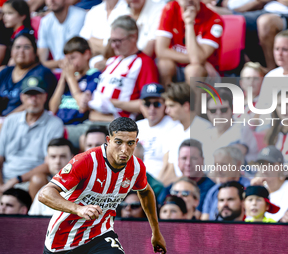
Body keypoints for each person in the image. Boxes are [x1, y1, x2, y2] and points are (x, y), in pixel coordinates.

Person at [38, 117, 166, 254]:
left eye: (130, 143)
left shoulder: (136, 167)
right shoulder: (86, 161)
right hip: (62, 241)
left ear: (136, 143)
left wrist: (156, 232)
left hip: (100, 235)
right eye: (118, 142)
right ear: (108, 140)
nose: (124, 150)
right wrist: (78, 209)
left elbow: (145, 192)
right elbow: (44, 194)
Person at [88, 15, 159, 122]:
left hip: (121, 124)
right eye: (112, 41)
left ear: (133, 37)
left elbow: (148, 102)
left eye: (118, 41)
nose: (113, 46)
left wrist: (112, 102)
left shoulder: (144, 62)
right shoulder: (112, 61)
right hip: (95, 117)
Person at [0, 76, 64, 192]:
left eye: (37, 95)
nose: (33, 100)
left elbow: (50, 163)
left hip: (30, 180)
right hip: (5, 177)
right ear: (22, 97)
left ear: (45, 97)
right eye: (29, 95)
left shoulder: (55, 123)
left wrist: (17, 179)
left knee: (38, 179)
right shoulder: (10, 120)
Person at [156, 0, 224, 85]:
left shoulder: (215, 19)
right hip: (181, 64)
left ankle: (194, 99)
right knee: (164, 65)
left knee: (194, 71)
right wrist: (199, 59)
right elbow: (161, 51)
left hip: (207, 72)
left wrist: (189, 24)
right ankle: (168, 97)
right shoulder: (170, 8)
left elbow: (197, 60)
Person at [49, 37, 101, 148]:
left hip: (79, 125)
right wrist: (63, 80)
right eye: (67, 59)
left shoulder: (95, 75)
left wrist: (71, 78)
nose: (69, 63)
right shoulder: (69, 77)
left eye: (73, 58)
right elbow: (53, 108)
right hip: (59, 124)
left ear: (87, 54)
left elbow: (83, 106)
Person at [158, 82, 211, 184]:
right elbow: (170, 168)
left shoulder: (206, 130)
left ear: (186, 106)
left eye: (172, 106)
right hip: (176, 185)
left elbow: (204, 170)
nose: (167, 111)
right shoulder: (173, 132)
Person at [0, 34, 57, 117]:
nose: (21, 51)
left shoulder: (42, 72)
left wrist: (6, 120)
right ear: (11, 52)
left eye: (26, 47)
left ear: (35, 52)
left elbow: (33, 103)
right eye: (17, 47)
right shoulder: (6, 71)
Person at [158, 139, 215, 219]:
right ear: (178, 161)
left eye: (193, 158)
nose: (188, 163)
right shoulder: (168, 189)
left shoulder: (213, 190)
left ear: (202, 160)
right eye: (184, 158)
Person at [202, 88, 258, 165]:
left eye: (223, 110)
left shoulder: (241, 128)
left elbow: (232, 159)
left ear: (231, 110)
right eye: (213, 111)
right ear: (207, 112)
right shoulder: (206, 132)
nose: (218, 114)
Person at [137, 83, 179, 179]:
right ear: (141, 105)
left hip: (158, 182)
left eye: (157, 104)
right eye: (147, 104)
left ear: (164, 104)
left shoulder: (174, 126)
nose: (152, 108)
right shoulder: (136, 126)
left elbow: (169, 166)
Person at [250, 146, 288, 222]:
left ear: (280, 166)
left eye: (270, 164)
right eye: (261, 164)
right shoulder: (259, 188)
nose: (265, 168)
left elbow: (282, 218)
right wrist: (253, 190)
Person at [201, 146, 250, 220]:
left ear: (238, 164)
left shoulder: (250, 189)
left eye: (223, 165)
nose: (218, 170)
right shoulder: (213, 191)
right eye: (216, 165)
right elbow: (204, 220)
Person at [28, 138, 75, 215]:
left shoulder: (85, 186)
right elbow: (33, 221)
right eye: (53, 157)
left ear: (73, 158)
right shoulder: (42, 191)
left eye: (63, 156)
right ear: (47, 159)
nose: (57, 161)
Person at [37, 0, 86, 69]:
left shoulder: (79, 16)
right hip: (57, 70)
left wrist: (45, 65)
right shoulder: (45, 21)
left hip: (76, 69)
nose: (51, 0)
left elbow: (71, 58)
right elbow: (41, 58)